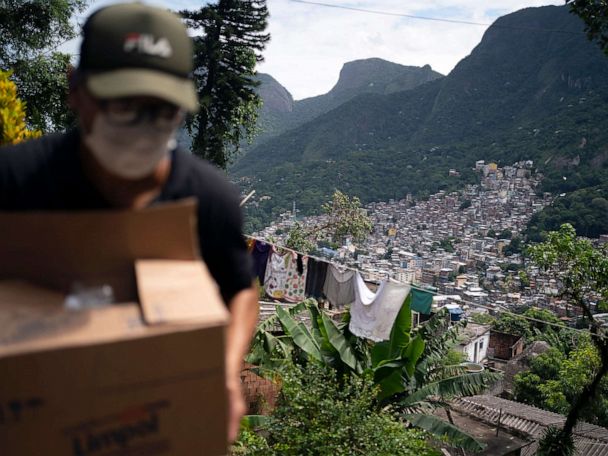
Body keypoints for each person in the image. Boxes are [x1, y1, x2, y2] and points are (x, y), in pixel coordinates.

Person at [0, 2, 258, 444]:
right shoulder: (14, 184)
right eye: (123, 105)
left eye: (161, 110)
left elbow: (241, 292)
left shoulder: (208, 200)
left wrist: (226, 373)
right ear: (75, 90)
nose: (142, 129)